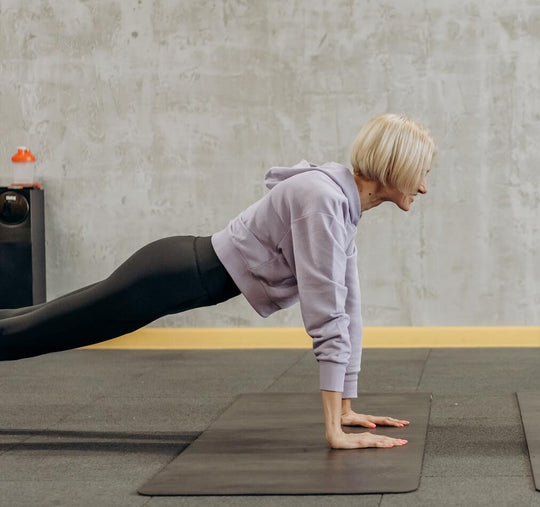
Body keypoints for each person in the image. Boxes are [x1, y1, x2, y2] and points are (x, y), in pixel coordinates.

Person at [0, 113, 435, 450]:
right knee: (31, 332)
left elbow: (348, 305)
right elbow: (325, 313)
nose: (424, 187)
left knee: (26, 322)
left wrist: (346, 407)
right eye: (422, 172)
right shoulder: (322, 202)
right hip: (166, 278)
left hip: (175, 271)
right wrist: (333, 433)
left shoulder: (340, 205)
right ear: (395, 167)